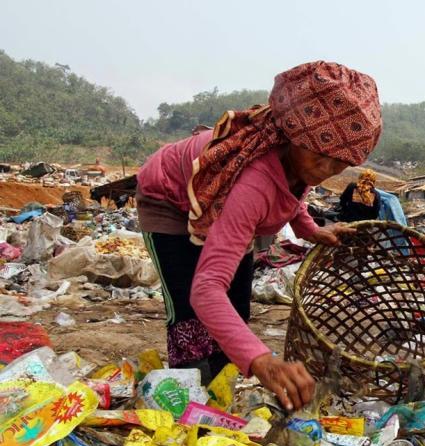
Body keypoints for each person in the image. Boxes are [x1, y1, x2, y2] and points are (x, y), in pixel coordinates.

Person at [136, 61, 383, 411]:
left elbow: (293, 193)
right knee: (190, 309)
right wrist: (263, 361)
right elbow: (206, 290)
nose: (327, 171)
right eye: (322, 158)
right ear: (295, 136)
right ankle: (187, 397)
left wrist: (312, 230)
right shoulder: (254, 183)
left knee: (237, 303)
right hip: (169, 200)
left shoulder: (300, 159)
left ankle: (219, 386)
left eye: (339, 164)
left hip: (227, 207)